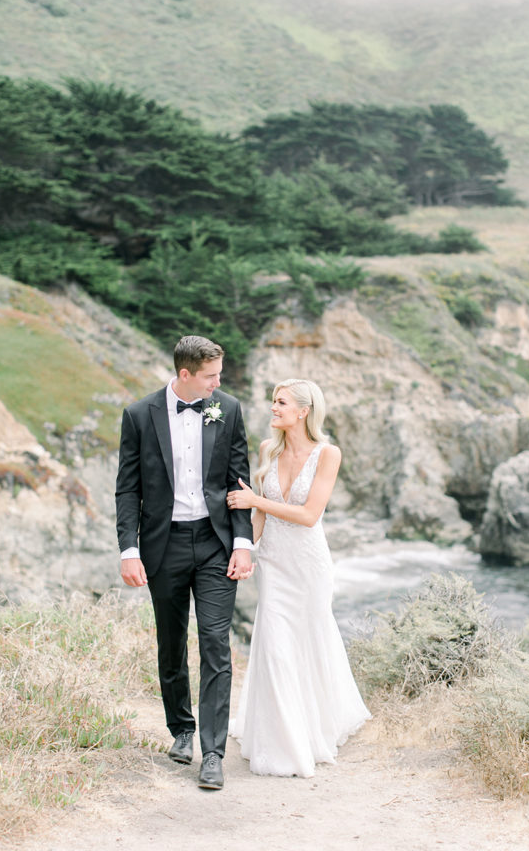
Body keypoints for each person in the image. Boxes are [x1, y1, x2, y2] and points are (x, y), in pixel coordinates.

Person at [115, 335, 253, 790]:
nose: (219, 383)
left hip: (215, 543)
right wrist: (129, 550)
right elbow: (127, 489)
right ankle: (182, 730)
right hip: (163, 545)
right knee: (171, 643)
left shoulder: (227, 409)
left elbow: (239, 479)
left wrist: (243, 542)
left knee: (216, 644)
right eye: (212, 375)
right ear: (185, 374)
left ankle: (213, 753)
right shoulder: (139, 415)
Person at [227, 378, 370, 777]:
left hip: (308, 565)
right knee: (274, 647)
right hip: (273, 563)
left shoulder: (328, 454)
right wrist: (243, 550)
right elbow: (259, 517)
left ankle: (310, 730)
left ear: (303, 411)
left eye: (281, 402)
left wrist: (256, 499)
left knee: (306, 643)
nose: (273, 408)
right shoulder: (268, 450)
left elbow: (309, 516)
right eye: (273, 401)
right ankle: (280, 740)